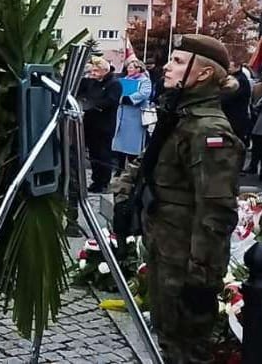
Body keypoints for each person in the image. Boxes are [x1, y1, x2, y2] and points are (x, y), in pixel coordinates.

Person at [114, 34, 243, 363]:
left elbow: (216, 212)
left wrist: (200, 279)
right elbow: (148, 161)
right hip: (166, 246)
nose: (167, 67)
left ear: (202, 75)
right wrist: (124, 195)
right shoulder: (180, 115)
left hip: (186, 258)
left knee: (186, 349)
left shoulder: (208, 130)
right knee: (168, 338)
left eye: (178, 62)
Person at [77, 57, 122, 193]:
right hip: (90, 123)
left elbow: (110, 101)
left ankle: (104, 182)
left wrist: (92, 104)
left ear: (104, 70)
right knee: (93, 154)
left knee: (103, 154)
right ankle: (96, 180)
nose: (94, 73)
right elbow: (81, 91)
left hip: (104, 125)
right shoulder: (92, 82)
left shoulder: (114, 84)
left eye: (96, 71)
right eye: (93, 70)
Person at [112, 59, 152, 173]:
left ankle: (132, 168)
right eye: (128, 67)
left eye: (131, 67)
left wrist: (129, 98)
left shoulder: (144, 81)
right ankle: (119, 168)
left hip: (135, 115)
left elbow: (144, 93)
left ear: (138, 69)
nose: (128, 70)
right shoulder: (123, 80)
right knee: (119, 144)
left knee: (132, 144)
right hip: (122, 114)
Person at [221, 60, 251, 144]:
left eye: (230, 67)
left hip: (235, 119)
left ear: (237, 67)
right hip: (233, 118)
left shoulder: (240, 80)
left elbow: (227, 98)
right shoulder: (236, 77)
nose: (228, 69)